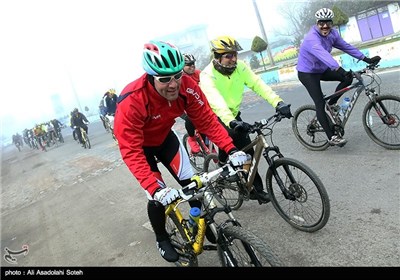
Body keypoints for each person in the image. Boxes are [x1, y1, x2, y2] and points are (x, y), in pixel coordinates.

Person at [114, 40, 248, 263]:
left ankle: (199, 222)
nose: (173, 84)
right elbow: (130, 149)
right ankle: (161, 237)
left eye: (176, 75)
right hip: (141, 148)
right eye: (164, 79)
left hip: (166, 139)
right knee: (157, 195)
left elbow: (206, 120)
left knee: (192, 182)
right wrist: (154, 188)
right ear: (150, 77)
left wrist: (231, 149)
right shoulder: (132, 100)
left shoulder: (186, 85)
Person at [199, 35, 293, 204]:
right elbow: (217, 102)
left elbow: (258, 85)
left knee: (248, 151)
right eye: (228, 56)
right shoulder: (207, 76)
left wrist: (278, 102)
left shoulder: (240, 67)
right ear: (217, 57)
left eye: (235, 54)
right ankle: (223, 167)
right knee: (230, 139)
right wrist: (231, 121)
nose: (233, 59)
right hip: (215, 116)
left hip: (234, 114)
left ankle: (255, 189)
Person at [296, 8, 381, 146]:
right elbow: (324, 55)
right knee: (319, 103)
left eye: (328, 23)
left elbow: (346, 47)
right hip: (308, 73)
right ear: (317, 23)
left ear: (331, 23)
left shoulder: (332, 34)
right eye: (321, 23)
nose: (325, 26)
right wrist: (340, 69)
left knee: (348, 78)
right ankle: (332, 137)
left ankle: (332, 103)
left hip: (322, 69)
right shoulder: (311, 38)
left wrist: (366, 59)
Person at [181, 53, 203, 154]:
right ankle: (191, 139)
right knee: (190, 118)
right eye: (189, 64)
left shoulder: (198, 73)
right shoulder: (180, 78)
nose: (192, 66)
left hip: (197, 103)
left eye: (193, 63)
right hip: (183, 107)